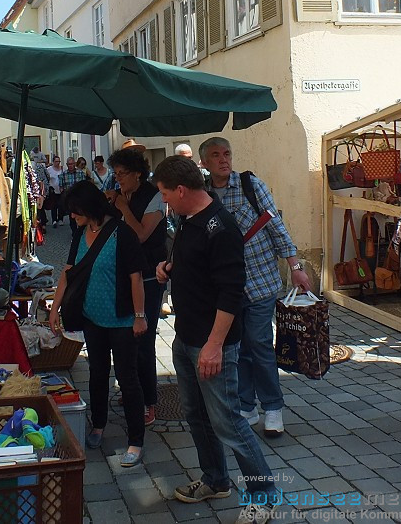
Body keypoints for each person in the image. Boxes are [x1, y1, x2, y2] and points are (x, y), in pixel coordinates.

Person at [153, 156, 278, 524]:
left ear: (180, 189)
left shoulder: (220, 228)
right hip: (186, 337)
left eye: (164, 194)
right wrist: (171, 268)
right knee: (197, 416)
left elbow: (231, 292)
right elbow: (198, 266)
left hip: (211, 343)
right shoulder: (188, 220)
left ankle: (264, 496)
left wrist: (213, 346)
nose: (163, 202)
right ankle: (216, 480)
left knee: (230, 424)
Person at [199, 136, 310, 438]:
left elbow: (275, 225)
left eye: (227, 154)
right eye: (216, 156)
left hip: (260, 281)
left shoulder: (250, 185)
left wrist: (295, 266)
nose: (223, 159)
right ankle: (247, 405)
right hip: (227, 289)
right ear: (205, 163)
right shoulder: (204, 194)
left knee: (259, 343)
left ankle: (273, 408)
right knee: (238, 348)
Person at [49, 181, 146, 465]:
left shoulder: (122, 233)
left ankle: (136, 440)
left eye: (75, 211)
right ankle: (99, 424)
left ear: (88, 207)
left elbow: (135, 277)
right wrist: (54, 308)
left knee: (128, 379)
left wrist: (140, 316)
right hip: (92, 317)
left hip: (122, 319)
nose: (72, 217)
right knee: (97, 373)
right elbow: (68, 271)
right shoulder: (81, 232)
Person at [107, 144, 168, 425]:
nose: (117, 178)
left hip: (148, 278)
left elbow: (141, 234)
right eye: (116, 173)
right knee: (124, 337)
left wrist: (121, 207)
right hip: (123, 276)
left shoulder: (154, 196)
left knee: (143, 339)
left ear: (138, 174)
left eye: (122, 173)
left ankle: (149, 401)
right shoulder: (120, 194)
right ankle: (132, 388)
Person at [59, 157, 88, 234]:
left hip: (79, 198)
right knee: (72, 217)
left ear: (74, 164)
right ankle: (74, 233)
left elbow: (84, 185)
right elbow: (61, 188)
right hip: (69, 200)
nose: (70, 166)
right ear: (66, 165)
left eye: (72, 164)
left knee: (81, 215)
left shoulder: (80, 173)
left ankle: (81, 231)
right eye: (69, 164)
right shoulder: (63, 175)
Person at [46, 155, 64, 227]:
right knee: (54, 205)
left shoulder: (62, 169)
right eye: (56, 161)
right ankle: (54, 220)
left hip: (61, 189)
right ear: (53, 162)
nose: (58, 163)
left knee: (61, 205)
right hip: (53, 189)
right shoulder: (49, 169)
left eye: (59, 161)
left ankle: (60, 219)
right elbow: (47, 178)